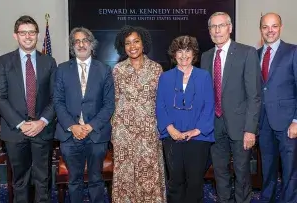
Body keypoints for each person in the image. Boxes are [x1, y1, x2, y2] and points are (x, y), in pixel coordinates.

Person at [0, 15, 56, 203]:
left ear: (37, 35)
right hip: (15, 131)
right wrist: (21, 124)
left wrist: (42, 121)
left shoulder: (49, 62)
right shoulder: (3, 62)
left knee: (42, 180)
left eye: (31, 32)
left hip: (41, 129)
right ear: (15, 36)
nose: (27, 36)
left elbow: (56, 98)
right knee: (19, 182)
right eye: (23, 33)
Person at [201, 12, 261, 203]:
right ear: (209, 31)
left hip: (240, 127)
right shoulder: (206, 56)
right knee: (220, 174)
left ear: (230, 28)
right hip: (214, 126)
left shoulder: (247, 52)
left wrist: (250, 130)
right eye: (213, 27)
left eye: (221, 25)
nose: (217, 30)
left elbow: (254, 95)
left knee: (242, 174)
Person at [53, 27, 115, 203]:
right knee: (74, 181)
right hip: (70, 135)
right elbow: (58, 101)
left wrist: (89, 126)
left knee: (96, 180)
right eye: (76, 41)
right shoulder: (62, 69)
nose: (81, 44)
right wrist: (73, 126)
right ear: (72, 46)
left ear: (91, 44)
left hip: (96, 134)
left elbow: (109, 104)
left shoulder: (104, 70)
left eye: (85, 40)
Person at [156, 35, 214, 203]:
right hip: (172, 137)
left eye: (188, 50)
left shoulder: (204, 76)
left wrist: (196, 130)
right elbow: (160, 106)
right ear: (174, 54)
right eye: (179, 51)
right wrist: (170, 129)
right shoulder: (165, 77)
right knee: (175, 182)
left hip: (198, 138)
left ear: (194, 53)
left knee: (195, 183)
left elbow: (209, 106)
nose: (183, 55)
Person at [112, 25, 166, 203]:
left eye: (136, 41)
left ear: (144, 44)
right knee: (125, 177)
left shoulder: (156, 69)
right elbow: (113, 101)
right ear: (123, 46)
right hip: (124, 133)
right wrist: (115, 130)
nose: (132, 46)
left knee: (149, 176)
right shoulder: (117, 70)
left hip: (149, 132)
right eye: (127, 43)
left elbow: (162, 102)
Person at [258, 12, 297, 203]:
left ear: (280, 27)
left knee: (290, 171)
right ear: (261, 30)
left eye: (274, 26)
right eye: (265, 27)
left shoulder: (293, 51)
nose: (270, 30)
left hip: (288, 123)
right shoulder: (256, 55)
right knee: (267, 168)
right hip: (263, 123)